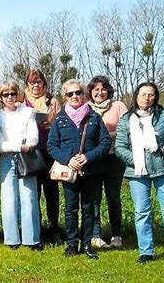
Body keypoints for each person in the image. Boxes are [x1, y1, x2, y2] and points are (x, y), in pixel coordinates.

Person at [115, 82, 164, 267]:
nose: (147, 98)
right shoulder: (126, 120)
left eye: (151, 95)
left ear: (155, 97)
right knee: (142, 212)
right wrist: (137, 161)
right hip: (137, 173)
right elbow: (119, 147)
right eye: (143, 94)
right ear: (136, 96)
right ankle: (146, 251)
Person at [47, 79, 110, 260]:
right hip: (70, 173)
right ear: (65, 97)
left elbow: (105, 142)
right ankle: (72, 244)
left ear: (83, 94)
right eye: (70, 94)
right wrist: (68, 160)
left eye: (78, 93)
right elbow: (52, 145)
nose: (74, 96)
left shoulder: (94, 117)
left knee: (89, 209)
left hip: (91, 171)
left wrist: (88, 157)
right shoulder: (59, 119)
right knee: (71, 209)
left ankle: (87, 244)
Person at [0, 81, 42, 251]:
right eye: (5, 95)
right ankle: (12, 239)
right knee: (8, 199)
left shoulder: (27, 112)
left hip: (27, 157)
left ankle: (32, 238)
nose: (10, 97)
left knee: (28, 197)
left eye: (13, 93)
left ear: (18, 95)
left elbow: (33, 137)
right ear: (0, 97)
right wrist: (18, 145)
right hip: (7, 159)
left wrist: (21, 146)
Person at [86, 75, 128, 249]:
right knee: (93, 198)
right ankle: (95, 235)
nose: (100, 92)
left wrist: (104, 137)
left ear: (108, 90)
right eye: (96, 89)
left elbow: (127, 130)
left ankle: (116, 234)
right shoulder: (85, 108)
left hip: (114, 157)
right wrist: (109, 136)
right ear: (90, 92)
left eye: (103, 89)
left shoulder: (118, 106)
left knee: (113, 196)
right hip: (94, 158)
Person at [23, 69, 63, 244]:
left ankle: (54, 228)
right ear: (27, 85)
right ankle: (36, 229)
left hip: (50, 153)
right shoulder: (21, 101)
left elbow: (61, 123)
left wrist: (51, 123)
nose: (36, 85)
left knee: (52, 192)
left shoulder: (53, 101)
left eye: (39, 82)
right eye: (32, 82)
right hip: (30, 154)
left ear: (44, 84)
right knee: (33, 193)